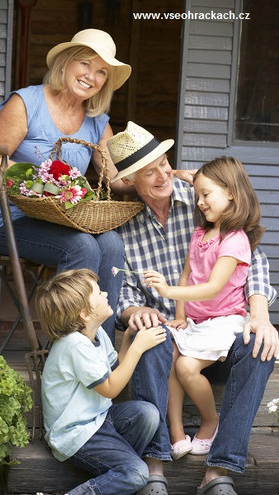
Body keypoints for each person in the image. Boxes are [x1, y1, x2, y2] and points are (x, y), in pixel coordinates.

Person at [107, 121, 279, 495]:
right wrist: (130, 312)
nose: (162, 174)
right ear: (130, 181)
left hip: (221, 325)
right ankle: (156, 463)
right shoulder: (122, 228)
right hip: (175, 333)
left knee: (261, 349)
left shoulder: (203, 201)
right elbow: (122, 291)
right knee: (147, 334)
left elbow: (254, 258)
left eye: (164, 163)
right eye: (148, 171)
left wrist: (260, 314)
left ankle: (219, 470)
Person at [0, 28, 133, 343]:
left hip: (63, 221)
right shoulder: (27, 102)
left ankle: (98, 350)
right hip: (12, 219)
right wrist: (41, 180)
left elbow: (117, 178)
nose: (91, 76)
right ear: (65, 63)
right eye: (84, 64)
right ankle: (67, 350)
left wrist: (162, 174)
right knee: (82, 246)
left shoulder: (97, 120)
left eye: (101, 71)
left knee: (111, 244)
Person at [143, 157, 266, 462]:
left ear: (231, 193)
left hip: (224, 322)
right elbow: (188, 274)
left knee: (186, 367)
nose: (200, 202)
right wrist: (181, 315)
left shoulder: (235, 240)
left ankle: (210, 420)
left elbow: (213, 286)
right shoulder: (200, 234)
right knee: (169, 354)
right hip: (197, 321)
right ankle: (175, 432)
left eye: (206, 194)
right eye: (197, 196)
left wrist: (169, 291)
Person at [35, 268, 168, 495]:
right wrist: (138, 347)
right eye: (98, 293)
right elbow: (111, 389)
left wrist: (127, 340)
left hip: (99, 420)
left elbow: (115, 371)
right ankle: (117, 476)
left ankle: (117, 471)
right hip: (75, 434)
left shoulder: (96, 334)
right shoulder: (74, 345)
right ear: (85, 314)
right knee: (137, 473)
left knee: (148, 413)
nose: (106, 294)